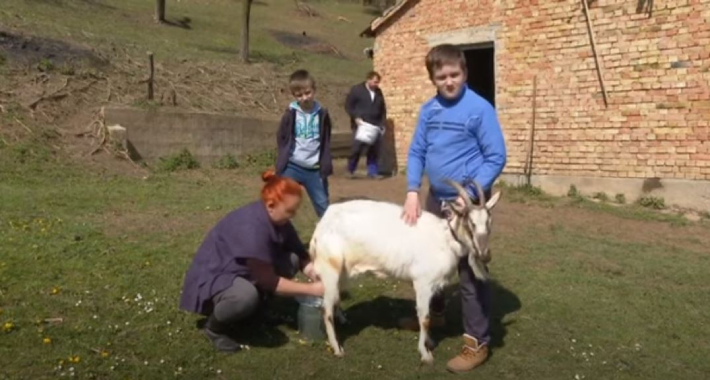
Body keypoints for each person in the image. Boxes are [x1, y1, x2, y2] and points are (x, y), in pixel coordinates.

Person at [400, 44, 507, 373]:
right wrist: (412, 191)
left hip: (469, 205)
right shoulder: (428, 110)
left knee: (469, 272)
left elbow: (496, 156)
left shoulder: (479, 109)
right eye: (441, 76)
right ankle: (436, 315)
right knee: (431, 262)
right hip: (435, 198)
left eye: (454, 75)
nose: (448, 81)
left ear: (465, 73)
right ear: (432, 77)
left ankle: (477, 343)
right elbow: (417, 151)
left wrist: (472, 194)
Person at [179, 170, 324, 352]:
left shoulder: (279, 220)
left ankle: (257, 313)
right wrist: (312, 289)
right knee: (245, 297)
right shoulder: (252, 228)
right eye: (290, 211)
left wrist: (312, 271)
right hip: (217, 274)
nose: (293, 215)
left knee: (292, 260)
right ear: (271, 205)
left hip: (245, 269)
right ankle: (214, 328)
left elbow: (299, 253)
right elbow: (269, 281)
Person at [275, 69, 333, 218]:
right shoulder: (290, 114)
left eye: (308, 93)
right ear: (294, 96)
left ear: (314, 90)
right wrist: (284, 157)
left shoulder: (322, 114)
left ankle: (328, 238)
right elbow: (281, 136)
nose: (304, 98)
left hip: (314, 169)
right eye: (299, 95)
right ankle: (279, 237)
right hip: (293, 166)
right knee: (281, 203)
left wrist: (324, 163)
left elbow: (326, 138)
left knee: (324, 207)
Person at [345, 71, 387, 178]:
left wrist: (382, 124)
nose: (376, 84)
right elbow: (348, 105)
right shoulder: (357, 90)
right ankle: (350, 169)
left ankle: (372, 172)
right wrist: (355, 117)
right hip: (360, 124)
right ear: (368, 80)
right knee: (356, 149)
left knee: (374, 150)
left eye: (378, 82)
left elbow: (382, 109)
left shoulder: (378, 92)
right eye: (374, 82)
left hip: (374, 125)